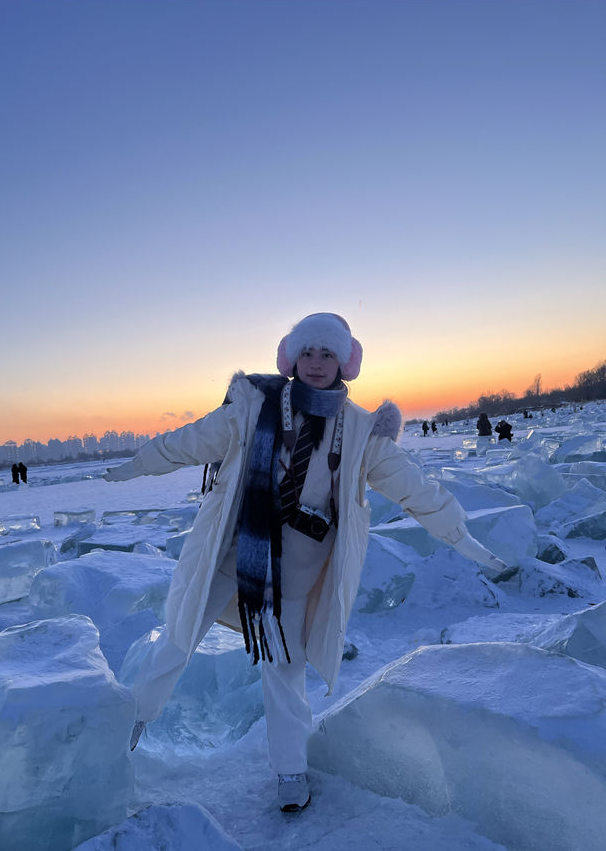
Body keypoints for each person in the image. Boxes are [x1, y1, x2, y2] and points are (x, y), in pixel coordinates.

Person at [104, 313, 516, 813]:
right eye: (308, 353)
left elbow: (414, 487)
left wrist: (459, 533)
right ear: (291, 358)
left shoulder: (363, 432)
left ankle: (290, 771)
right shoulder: (252, 408)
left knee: (285, 669)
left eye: (327, 354)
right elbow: (186, 442)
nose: (316, 363)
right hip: (234, 554)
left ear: (345, 362)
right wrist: (131, 467)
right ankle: (128, 726)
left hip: (297, 574)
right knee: (178, 636)